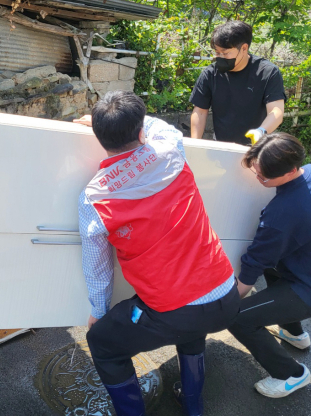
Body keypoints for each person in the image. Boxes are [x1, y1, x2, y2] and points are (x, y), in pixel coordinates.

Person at [75, 91, 240, 416]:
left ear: (97, 137)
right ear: (140, 132)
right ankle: (193, 405)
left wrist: (98, 311)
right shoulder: (172, 151)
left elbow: (98, 268)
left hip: (172, 313)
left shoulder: (94, 199)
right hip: (227, 294)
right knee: (192, 328)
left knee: (103, 343)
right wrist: (130, 120)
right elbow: (164, 129)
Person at [228, 133, 311, 398]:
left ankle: (291, 375)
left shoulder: (283, 213)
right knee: (275, 266)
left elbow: (251, 267)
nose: (258, 179)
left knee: (238, 317)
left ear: (288, 172)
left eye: (262, 177)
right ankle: (294, 332)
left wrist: (221, 306)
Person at [189, 21, 286, 145]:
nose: (220, 57)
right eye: (217, 52)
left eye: (225, 52)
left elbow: (276, 111)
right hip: (221, 147)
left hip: (257, 149)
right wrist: (194, 145)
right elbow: (200, 112)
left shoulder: (267, 73)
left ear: (244, 48)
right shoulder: (210, 74)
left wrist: (261, 131)